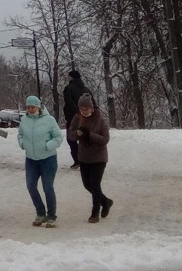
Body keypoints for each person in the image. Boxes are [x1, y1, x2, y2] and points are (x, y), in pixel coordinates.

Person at [16, 94, 64, 226]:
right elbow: (20, 134)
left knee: (47, 187)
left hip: (48, 159)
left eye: (33, 107)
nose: (31, 109)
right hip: (31, 159)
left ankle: (51, 216)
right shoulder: (25, 120)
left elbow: (58, 138)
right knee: (31, 186)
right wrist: (22, 143)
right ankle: (40, 212)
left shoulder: (49, 120)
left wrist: (47, 146)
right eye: (28, 107)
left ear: (38, 107)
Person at [68, 91, 113, 221]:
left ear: (92, 108)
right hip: (84, 157)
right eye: (81, 109)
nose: (84, 111)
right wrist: (77, 133)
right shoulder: (77, 118)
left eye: (86, 109)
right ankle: (106, 202)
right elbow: (70, 135)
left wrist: (90, 135)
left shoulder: (100, 121)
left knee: (95, 184)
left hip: (99, 157)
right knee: (87, 184)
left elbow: (105, 139)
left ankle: (95, 213)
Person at [62, 67, 88, 164]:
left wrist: (76, 113)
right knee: (84, 138)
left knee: (71, 139)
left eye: (68, 76)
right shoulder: (86, 89)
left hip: (72, 118)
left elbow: (68, 102)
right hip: (86, 118)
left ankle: (77, 160)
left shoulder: (68, 88)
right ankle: (86, 158)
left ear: (71, 77)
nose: (67, 78)